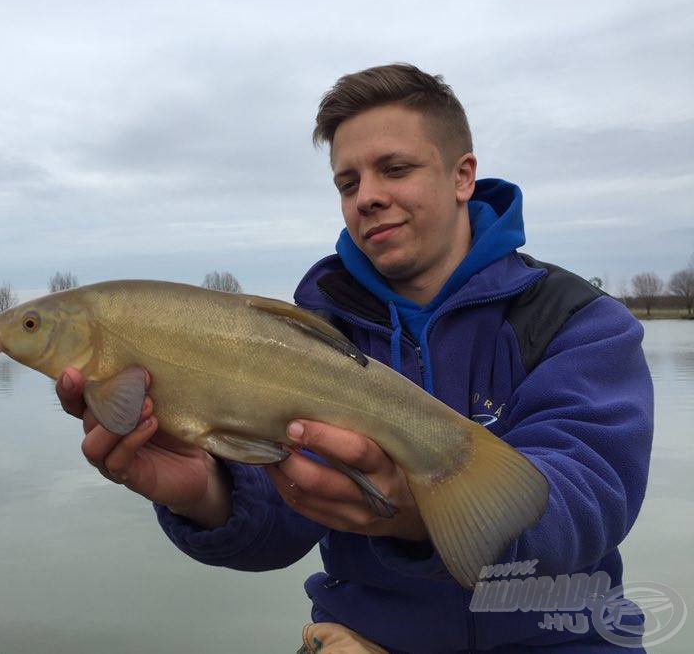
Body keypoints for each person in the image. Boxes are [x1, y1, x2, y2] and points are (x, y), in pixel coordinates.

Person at [56, 64, 654, 652]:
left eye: (394, 169)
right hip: (359, 640)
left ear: (462, 176)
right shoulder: (311, 332)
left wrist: (417, 512)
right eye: (348, 183)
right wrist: (201, 495)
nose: (367, 197)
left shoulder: (581, 322)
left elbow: (592, 500)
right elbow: (283, 523)